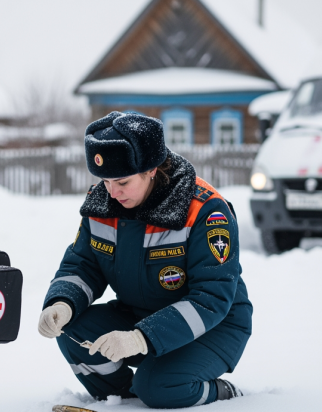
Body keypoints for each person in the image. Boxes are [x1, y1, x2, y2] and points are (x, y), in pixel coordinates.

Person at [38, 112, 252, 408]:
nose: (112, 192)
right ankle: (126, 399)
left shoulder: (205, 211)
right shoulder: (102, 203)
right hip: (140, 315)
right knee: (73, 330)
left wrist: (141, 338)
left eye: (122, 181)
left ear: (151, 169)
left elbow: (212, 297)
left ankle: (219, 392)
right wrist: (62, 303)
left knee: (159, 388)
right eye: (105, 181)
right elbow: (83, 265)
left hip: (213, 326)